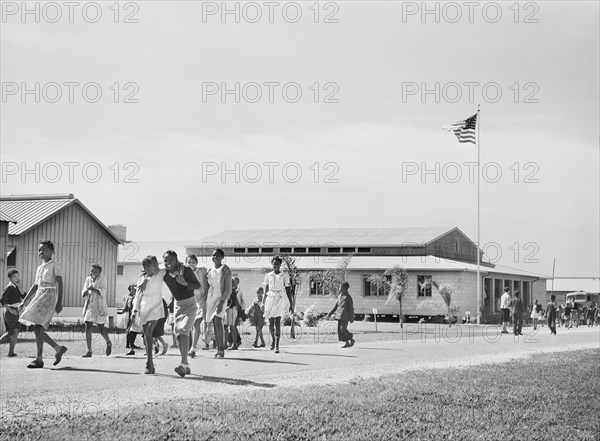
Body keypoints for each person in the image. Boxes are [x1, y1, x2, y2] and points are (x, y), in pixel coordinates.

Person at [18, 240, 68, 369]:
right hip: (39, 294)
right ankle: (58, 348)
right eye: (40, 250)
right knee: (37, 327)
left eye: (44, 249)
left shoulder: (54, 265)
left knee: (38, 326)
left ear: (51, 251)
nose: (41, 252)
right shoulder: (40, 267)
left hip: (49, 295)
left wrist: (59, 302)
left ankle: (39, 359)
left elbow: (60, 284)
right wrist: (25, 301)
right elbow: (35, 285)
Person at [162, 250, 200, 377]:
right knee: (178, 334)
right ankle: (187, 365)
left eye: (171, 260)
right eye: (166, 260)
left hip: (190, 304)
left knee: (184, 330)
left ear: (177, 260)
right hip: (177, 305)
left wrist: (185, 283)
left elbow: (197, 285)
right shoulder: (164, 273)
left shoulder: (186, 270)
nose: (168, 263)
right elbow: (153, 273)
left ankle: (183, 364)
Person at [132, 256, 171, 374]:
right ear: (145, 267)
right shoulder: (141, 279)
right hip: (144, 306)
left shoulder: (160, 274)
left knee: (149, 330)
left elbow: (170, 265)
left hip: (156, 305)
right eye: (153, 265)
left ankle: (149, 363)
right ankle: (150, 363)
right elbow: (138, 296)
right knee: (147, 335)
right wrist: (134, 311)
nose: (156, 267)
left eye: (156, 264)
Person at [261, 256, 293, 354]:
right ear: (272, 264)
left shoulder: (284, 275)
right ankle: (273, 341)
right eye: (274, 264)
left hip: (280, 298)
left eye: (277, 264)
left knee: (277, 322)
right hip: (270, 298)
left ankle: (277, 345)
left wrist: (291, 303)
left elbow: (288, 290)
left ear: (280, 265)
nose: (275, 266)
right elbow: (266, 289)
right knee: (271, 322)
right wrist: (263, 302)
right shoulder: (268, 275)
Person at [81, 264, 112, 358]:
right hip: (90, 306)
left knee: (101, 328)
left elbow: (102, 292)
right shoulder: (88, 279)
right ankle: (89, 350)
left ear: (99, 273)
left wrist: (93, 289)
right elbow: (83, 293)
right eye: (91, 271)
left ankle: (108, 342)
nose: (92, 273)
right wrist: (87, 290)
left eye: (95, 272)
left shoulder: (103, 279)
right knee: (88, 325)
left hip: (99, 306)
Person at [206, 249, 232, 359]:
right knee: (214, 321)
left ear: (222, 257)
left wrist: (222, 302)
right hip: (211, 296)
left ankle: (221, 349)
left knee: (218, 320)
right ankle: (218, 348)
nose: (214, 257)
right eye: (213, 255)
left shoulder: (226, 270)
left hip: (221, 296)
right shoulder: (209, 269)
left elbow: (228, 289)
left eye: (217, 256)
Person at [185, 254, 208, 358]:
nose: (191, 264)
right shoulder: (183, 273)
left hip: (201, 299)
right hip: (190, 300)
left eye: (193, 262)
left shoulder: (201, 271)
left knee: (196, 323)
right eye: (189, 262)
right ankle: (189, 347)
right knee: (188, 325)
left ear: (196, 263)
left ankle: (193, 348)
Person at [0, 269, 25, 357]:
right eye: (14, 277)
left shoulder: (17, 287)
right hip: (10, 311)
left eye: (18, 276)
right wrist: (10, 310)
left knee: (16, 331)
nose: (17, 278)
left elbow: (24, 297)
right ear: (10, 278)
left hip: (16, 311)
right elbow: (2, 299)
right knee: (10, 332)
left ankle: (11, 353)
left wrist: (20, 288)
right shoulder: (9, 287)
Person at [326, 282, 355, 348]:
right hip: (339, 316)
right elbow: (335, 306)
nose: (339, 288)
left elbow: (351, 309)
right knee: (340, 331)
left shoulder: (348, 297)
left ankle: (351, 338)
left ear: (344, 288)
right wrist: (329, 313)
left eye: (340, 287)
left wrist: (351, 318)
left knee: (343, 329)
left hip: (345, 316)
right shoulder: (340, 296)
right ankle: (347, 343)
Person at [123, 284, 142, 355]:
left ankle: (154, 346)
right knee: (131, 331)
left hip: (139, 316)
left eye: (135, 290)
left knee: (145, 333)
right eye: (132, 290)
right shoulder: (132, 298)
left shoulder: (139, 297)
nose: (133, 291)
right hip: (133, 316)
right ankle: (131, 348)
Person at [225, 278, 240, 350]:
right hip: (231, 309)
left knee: (230, 327)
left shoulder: (231, 292)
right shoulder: (232, 291)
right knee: (230, 327)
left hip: (230, 309)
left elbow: (232, 302)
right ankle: (229, 343)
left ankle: (233, 344)